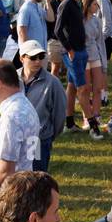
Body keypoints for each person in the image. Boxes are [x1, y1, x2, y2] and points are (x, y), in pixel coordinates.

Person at [0, 58, 42, 197]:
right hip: (23, 187)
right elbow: (34, 153)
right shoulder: (28, 106)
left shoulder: (12, 117)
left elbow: (5, 170)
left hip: (7, 195)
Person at [54, 0, 103, 139]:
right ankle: (93, 126)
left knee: (73, 87)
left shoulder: (77, 4)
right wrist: (69, 49)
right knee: (83, 89)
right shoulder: (67, 4)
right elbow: (58, 30)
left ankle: (68, 122)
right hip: (73, 52)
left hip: (82, 51)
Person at [18, 39, 66, 172]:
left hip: (36, 139)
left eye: (41, 57)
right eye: (33, 58)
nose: (38, 61)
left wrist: (47, 136)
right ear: (22, 58)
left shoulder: (53, 83)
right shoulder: (12, 78)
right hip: (15, 136)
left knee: (36, 176)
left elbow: (60, 115)